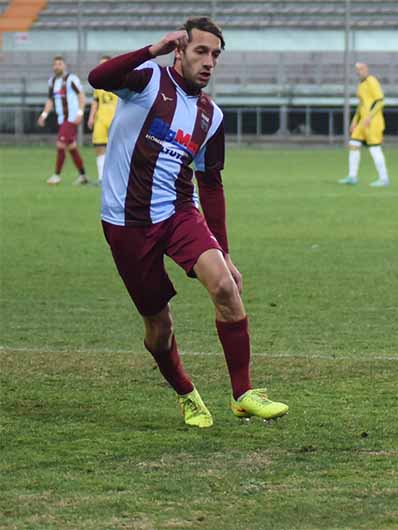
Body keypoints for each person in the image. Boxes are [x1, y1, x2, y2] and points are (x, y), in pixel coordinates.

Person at [88, 17, 288, 428]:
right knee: (158, 326)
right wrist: (152, 49)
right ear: (179, 51)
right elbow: (98, 77)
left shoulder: (211, 116)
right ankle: (186, 393)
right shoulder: (147, 80)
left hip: (179, 211)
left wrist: (224, 252)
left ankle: (243, 394)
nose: (209, 61)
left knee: (226, 286)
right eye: (201, 51)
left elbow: (210, 184)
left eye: (215, 54)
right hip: (127, 223)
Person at [37, 55, 88, 185]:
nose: (57, 67)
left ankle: (57, 175)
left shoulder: (71, 79)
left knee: (60, 145)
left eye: (59, 64)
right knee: (71, 147)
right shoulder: (52, 81)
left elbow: (81, 96)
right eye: (55, 64)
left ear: (64, 66)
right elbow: (50, 100)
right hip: (62, 119)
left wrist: (80, 113)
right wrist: (44, 115)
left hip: (71, 119)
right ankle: (83, 176)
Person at [338, 62, 390, 187]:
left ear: (366, 69)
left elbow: (380, 101)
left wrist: (369, 116)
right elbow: (361, 104)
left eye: (361, 69)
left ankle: (384, 179)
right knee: (353, 144)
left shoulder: (372, 81)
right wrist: (354, 121)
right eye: (357, 69)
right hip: (362, 122)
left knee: (374, 148)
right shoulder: (361, 85)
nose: (359, 71)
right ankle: (352, 176)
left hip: (373, 122)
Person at [87, 55, 118, 184]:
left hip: (115, 119)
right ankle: (101, 178)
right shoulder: (97, 83)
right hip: (101, 119)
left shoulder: (119, 80)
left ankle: (115, 178)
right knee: (99, 147)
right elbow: (95, 101)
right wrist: (91, 117)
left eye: (104, 64)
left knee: (116, 149)